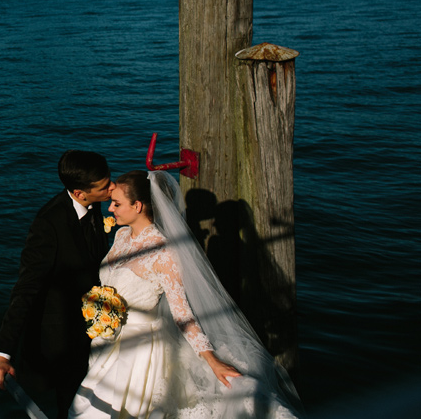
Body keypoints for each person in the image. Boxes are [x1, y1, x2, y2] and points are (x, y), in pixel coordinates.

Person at [69, 170, 302, 419]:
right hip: (108, 342)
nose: (110, 210)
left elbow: (182, 313)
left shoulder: (164, 253)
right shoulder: (121, 236)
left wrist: (212, 360)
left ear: (137, 206)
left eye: (116, 204)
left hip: (139, 352)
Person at [0, 150, 114, 418]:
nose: (111, 188)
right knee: (70, 409)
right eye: (104, 187)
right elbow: (26, 289)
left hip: (97, 326)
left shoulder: (96, 203)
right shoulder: (48, 225)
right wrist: (2, 353)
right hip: (64, 340)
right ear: (80, 193)